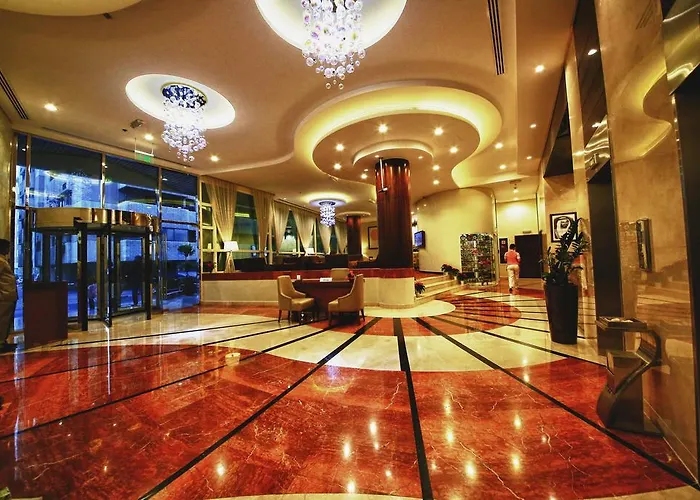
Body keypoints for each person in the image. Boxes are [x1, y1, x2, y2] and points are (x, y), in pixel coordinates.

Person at [0, 239, 18, 352]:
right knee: (2, 320)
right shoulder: (1, 261)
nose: (9, 249)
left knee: (6, 321)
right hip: (4, 296)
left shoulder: (3, 260)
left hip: (8, 296)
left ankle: (3, 341)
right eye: (7, 247)